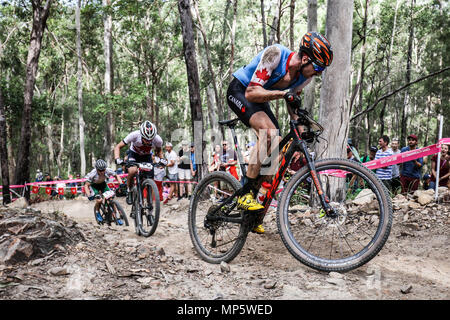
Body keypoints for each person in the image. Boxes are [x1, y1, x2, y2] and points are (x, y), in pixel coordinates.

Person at [226, 31, 333, 234]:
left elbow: (292, 108)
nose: (318, 73)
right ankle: (244, 194)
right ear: (304, 58)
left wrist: (301, 134)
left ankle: (251, 216)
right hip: (241, 90)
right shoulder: (275, 55)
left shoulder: (304, 77)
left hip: (260, 98)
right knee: (269, 133)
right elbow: (251, 92)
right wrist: (285, 94)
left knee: (274, 158)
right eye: (318, 67)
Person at [114, 120, 163, 205]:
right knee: (132, 171)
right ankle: (129, 191)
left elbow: (159, 151)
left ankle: (150, 206)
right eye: (145, 139)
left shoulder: (158, 140)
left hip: (146, 157)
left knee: (150, 180)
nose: (148, 141)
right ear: (141, 135)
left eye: (150, 139)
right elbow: (118, 146)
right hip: (134, 154)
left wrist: (162, 160)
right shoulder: (134, 135)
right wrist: (117, 159)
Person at [84, 159, 124, 224]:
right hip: (94, 186)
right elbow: (86, 185)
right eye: (100, 170)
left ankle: (117, 217)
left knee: (110, 199)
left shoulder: (108, 170)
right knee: (99, 200)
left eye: (103, 170)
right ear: (96, 169)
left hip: (103, 184)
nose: (102, 172)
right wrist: (89, 195)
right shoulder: (92, 174)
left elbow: (116, 176)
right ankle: (97, 213)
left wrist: (121, 183)